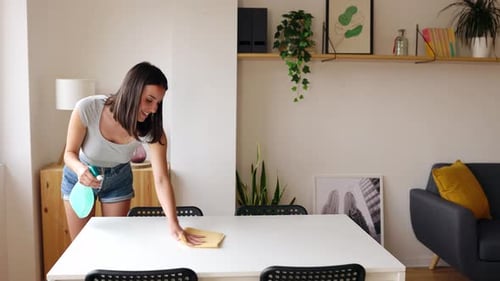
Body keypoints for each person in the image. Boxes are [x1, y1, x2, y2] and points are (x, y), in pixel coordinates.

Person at [61, 61, 202, 245]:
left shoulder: (152, 130)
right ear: (132, 91)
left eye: (158, 103)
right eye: (149, 100)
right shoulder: (88, 108)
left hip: (118, 179)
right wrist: (81, 170)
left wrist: (174, 224)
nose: (153, 109)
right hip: (79, 178)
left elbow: (161, 179)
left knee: (115, 245)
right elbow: (69, 153)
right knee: (81, 246)